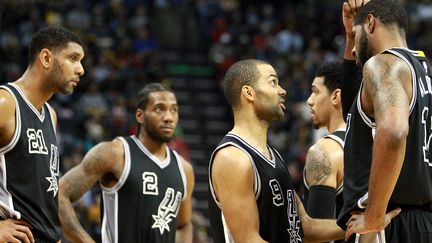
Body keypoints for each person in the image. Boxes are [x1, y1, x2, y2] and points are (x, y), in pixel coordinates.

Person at [209, 59, 378, 243]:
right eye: (273, 82)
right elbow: (249, 239)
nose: (282, 91)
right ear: (249, 93)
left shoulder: (274, 155)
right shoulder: (233, 158)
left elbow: (305, 227)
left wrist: (367, 222)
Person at [338, 0, 432, 242]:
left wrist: (373, 215)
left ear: (370, 23)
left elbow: (393, 131)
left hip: (389, 222)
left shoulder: (382, 63)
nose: (355, 51)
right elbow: (353, 112)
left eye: (356, 35)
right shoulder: (424, 72)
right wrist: (351, 35)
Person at [59, 83, 195, 243]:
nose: (168, 117)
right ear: (140, 115)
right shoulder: (114, 153)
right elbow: (59, 195)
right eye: (159, 109)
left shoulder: (184, 169)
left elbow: (183, 225)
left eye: (174, 110)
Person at [0, 27, 85, 242]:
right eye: (73, 58)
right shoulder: (6, 103)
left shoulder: (51, 115)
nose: (81, 69)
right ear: (46, 58)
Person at [303, 62, 345, 243]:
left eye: (316, 91)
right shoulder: (376, 143)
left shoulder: (326, 150)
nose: (309, 100)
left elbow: (316, 237)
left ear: (336, 96)